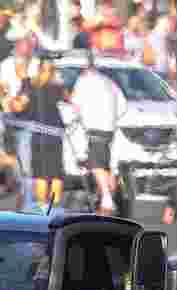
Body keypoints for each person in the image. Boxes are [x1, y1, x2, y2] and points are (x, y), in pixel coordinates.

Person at [71, 50, 127, 214]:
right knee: (107, 165)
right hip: (110, 128)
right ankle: (109, 199)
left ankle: (107, 200)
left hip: (95, 127)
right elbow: (123, 105)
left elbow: (74, 105)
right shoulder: (109, 81)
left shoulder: (82, 82)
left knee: (96, 164)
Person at [0, 38, 39, 209]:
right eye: (21, 47)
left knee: (26, 160)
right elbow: (2, 85)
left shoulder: (36, 64)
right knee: (11, 156)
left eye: (28, 48)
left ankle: (28, 199)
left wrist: (23, 96)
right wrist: (5, 99)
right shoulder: (7, 64)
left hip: (28, 119)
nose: (24, 50)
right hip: (9, 115)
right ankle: (18, 188)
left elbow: (34, 88)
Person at [24, 56, 68, 209]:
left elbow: (23, 106)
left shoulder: (31, 84)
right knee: (55, 171)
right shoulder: (58, 87)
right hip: (54, 131)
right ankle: (54, 206)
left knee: (42, 173)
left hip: (40, 133)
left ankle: (44, 205)